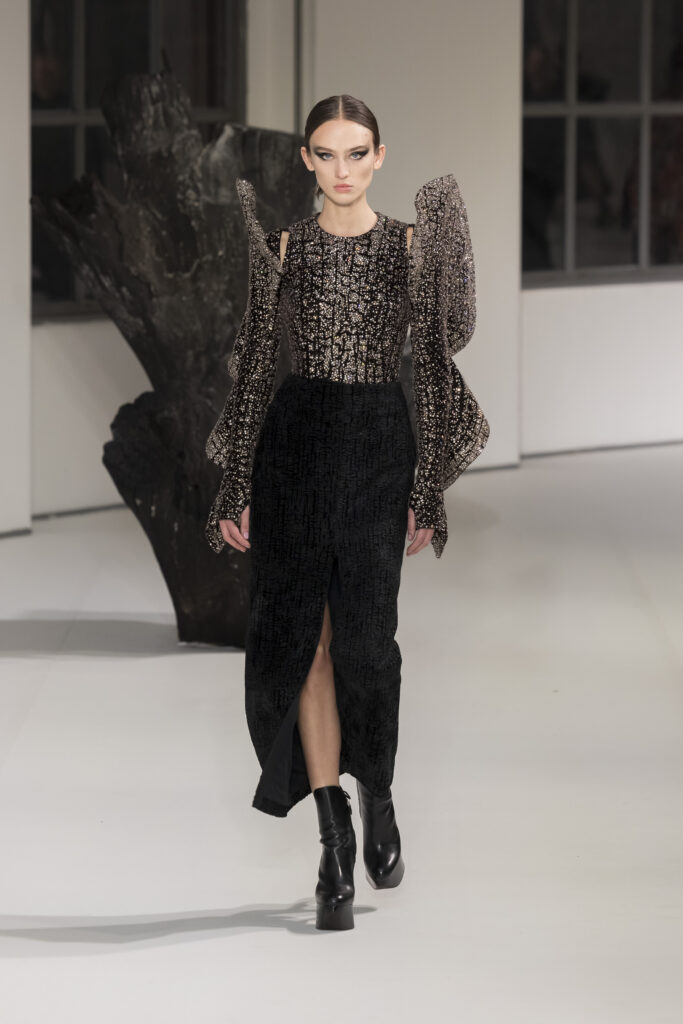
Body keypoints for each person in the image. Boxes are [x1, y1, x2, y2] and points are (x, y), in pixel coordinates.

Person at [204, 94, 490, 931]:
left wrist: (426, 487)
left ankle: (380, 789)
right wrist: (235, 483)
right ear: (305, 159)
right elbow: (256, 368)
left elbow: (429, 367)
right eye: (325, 154)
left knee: (367, 644)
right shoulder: (283, 248)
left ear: (378, 157)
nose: (341, 169)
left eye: (355, 153)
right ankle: (333, 842)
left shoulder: (410, 247)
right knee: (307, 644)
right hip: (295, 445)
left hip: (376, 447)